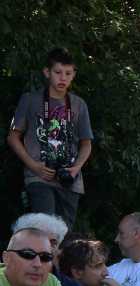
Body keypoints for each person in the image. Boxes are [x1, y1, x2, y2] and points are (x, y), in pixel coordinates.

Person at [7, 48, 93, 227]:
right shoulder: (29, 100)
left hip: (69, 180)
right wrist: (34, 166)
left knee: (63, 234)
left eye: (68, 73)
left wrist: (76, 168)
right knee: (45, 228)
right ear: (47, 72)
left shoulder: (79, 104)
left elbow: (86, 143)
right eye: (58, 72)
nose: (63, 78)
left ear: (74, 75)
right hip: (39, 177)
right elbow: (13, 137)